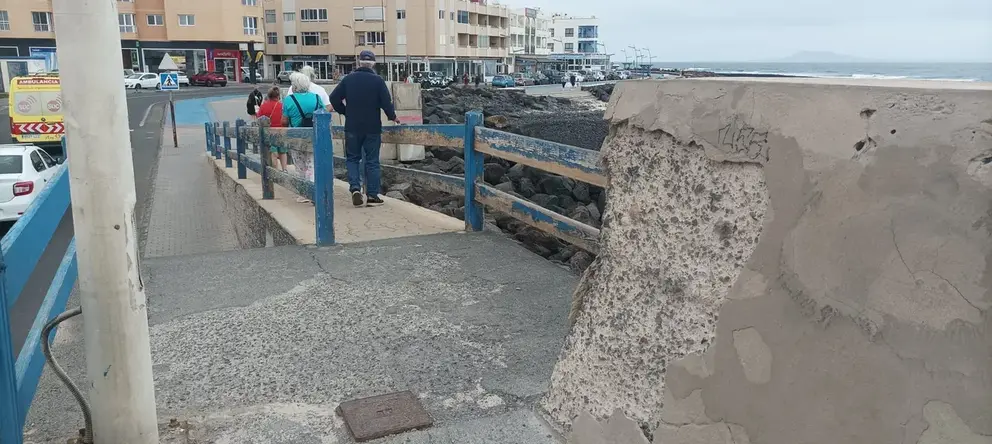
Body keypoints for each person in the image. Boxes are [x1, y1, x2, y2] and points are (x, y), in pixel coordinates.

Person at [329, 50, 399, 207]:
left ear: (359, 63)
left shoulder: (348, 80)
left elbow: (333, 98)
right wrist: (393, 116)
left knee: (353, 158)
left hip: (353, 126)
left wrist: (345, 111)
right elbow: (386, 103)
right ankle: (372, 196)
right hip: (372, 127)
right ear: (373, 64)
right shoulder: (378, 81)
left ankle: (355, 188)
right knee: (372, 161)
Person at [281, 72, 323, 193]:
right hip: (313, 135)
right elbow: (324, 114)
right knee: (311, 163)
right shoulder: (316, 97)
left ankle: (304, 192)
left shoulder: (289, 100)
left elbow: (284, 121)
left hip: (296, 136)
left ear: (295, 86)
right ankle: (314, 190)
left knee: (300, 165)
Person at [256, 86, 288, 171]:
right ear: (278, 96)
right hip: (281, 131)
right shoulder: (282, 106)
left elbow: (259, 118)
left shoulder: (263, 106)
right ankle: (284, 169)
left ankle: (275, 171)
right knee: (283, 151)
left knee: (273, 152)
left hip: (270, 132)